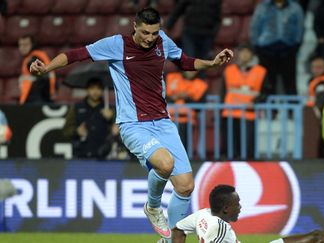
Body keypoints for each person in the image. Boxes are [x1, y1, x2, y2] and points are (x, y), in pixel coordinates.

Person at [29, 7, 233, 241]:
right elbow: (76, 54)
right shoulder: (117, 45)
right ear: (135, 26)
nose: (149, 38)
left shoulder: (162, 42)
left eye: (154, 33)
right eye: (145, 32)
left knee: (186, 186)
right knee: (165, 164)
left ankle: (171, 239)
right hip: (133, 124)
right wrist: (46, 69)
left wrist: (212, 63)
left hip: (163, 123)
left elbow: (184, 62)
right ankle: (153, 207)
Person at [172, 184, 324, 243]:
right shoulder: (218, 227)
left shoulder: (202, 215)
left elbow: (178, 230)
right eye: (237, 204)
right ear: (225, 209)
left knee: (316, 237)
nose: (241, 207)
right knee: (317, 238)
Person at [222, 43, 266, 159]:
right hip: (230, 113)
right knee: (231, 148)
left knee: (248, 149)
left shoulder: (261, 71)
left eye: (247, 52)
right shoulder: (229, 70)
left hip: (249, 113)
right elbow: (223, 91)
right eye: (242, 52)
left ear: (252, 55)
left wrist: (255, 102)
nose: (244, 55)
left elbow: (265, 92)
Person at [250, 0, 304, 95]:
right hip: (266, 49)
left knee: (290, 83)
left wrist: (296, 44)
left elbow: (299, 27)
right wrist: (256, 46)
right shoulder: (263, 7)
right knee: (267, 83)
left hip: (287, 48)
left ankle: (292, 108)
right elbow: (255, 27)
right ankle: (268, 108)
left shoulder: (295, 7)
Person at [62, 78, 116, 159]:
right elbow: (66, 131)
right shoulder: (77, 107)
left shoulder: (109, 109)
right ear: (87, 90)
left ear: (102, 90)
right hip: (80, 155)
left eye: (98, 88)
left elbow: (117, 132)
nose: (95, 91)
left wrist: (111, 119)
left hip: (104, 156)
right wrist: (76, 131)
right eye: (92, 88)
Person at [166, 70, 208, 148]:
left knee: (183, 146)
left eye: (193, 70)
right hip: (168, 120)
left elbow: (200, 106)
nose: (191, 72)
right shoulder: (171, 77)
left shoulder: (200, 84)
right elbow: (162, 96)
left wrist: (187, 97)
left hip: (187, 121)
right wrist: (173, 98)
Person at [18, 35, 56, 105]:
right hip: (38, 97)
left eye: (25, 45)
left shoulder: (33, 59)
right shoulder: (37, 55)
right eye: (20, 45)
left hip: (35, 98)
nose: (22, 48)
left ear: (33, 45)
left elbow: (44, 77)